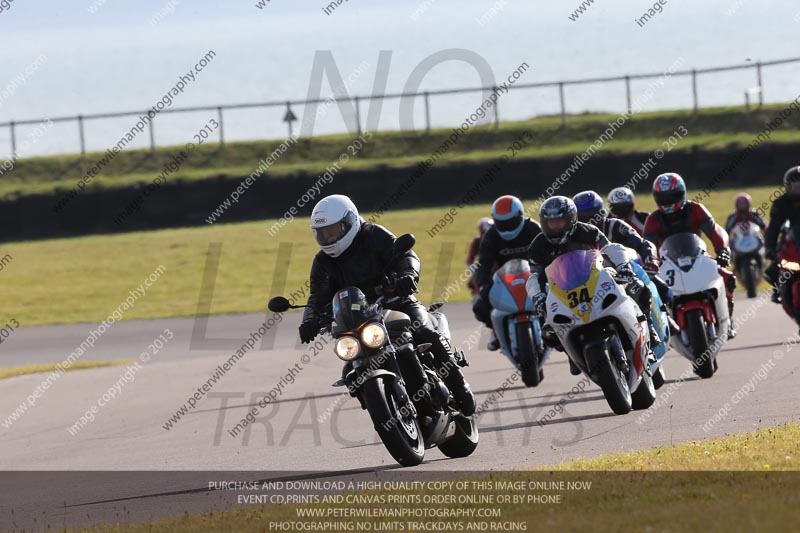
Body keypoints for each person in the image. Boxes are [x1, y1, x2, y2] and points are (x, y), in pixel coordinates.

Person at [298, 194, 475, 415]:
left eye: (332, 230)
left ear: (349, 222)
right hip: (360, 318)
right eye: (322, 233)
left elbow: (405, 254)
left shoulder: (373, 235)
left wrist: (407, 275)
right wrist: (309, 321)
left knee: (423, 328)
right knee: (350, 368)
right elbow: (317, 296)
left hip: (396, 301)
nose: (327, 237)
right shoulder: (323, 261)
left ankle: (460, 386)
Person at [526, 196, 655, 375]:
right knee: (548, 330)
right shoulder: (538, 245)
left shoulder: (588, 231)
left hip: (596, 280)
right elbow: (534, 276)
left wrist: (623, 267)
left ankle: (649, 328)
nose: (554, 227)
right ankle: (571, 353)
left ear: (571, 219)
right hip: (562, 290)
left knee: (639, 288)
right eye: (550, 223)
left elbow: (610, 249)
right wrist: (538, 297)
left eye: (559, 222)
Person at [643, 173, 737, 338]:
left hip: (699, 257)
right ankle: (664, 328)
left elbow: (714, 230)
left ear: (682, 193)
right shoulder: (653, 220)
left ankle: (729, 320)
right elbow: (647, 246)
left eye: (673, 196)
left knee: (728, 277)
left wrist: (722, 250)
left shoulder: (696, 209)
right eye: (663, 198)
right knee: (652, 291)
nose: (669, 202)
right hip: (667, 264)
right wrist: (650, 262)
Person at [573, 190, 679, 335]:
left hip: (622, 272)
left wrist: (650, 259)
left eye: (592, 217)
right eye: (583, 219)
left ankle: (654, 321)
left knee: (658, 287)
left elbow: (642, 243)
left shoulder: (615, 226)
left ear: (601, 214)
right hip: (587, 280)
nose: (589, 223)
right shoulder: (571, 237)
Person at [472, 195, 542, 351]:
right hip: (503, 281)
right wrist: (484, 285)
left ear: (521, 216)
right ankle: (496, 330)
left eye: (511, 222)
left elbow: (548, 253)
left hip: (534, 276)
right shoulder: (490, 236)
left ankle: (556, 328)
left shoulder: (533, 229)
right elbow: (483, 264)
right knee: (480, 307)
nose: (508, 228)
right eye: (502, 224)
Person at [764, 166, 800, 303]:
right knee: (772, 271)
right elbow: (773, 228)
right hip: (790, 242)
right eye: (795, 187)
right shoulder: (780, 203)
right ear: (787, 187)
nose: (798, 190)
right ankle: (777, 289)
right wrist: (769, 248)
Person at [466, 217, 493, 295]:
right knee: (477, 281)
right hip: (482, 267)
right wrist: (475, 271)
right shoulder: (476, 242)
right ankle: (478, 297)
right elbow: (469, 260)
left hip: (496, 266)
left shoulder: (497, 240)